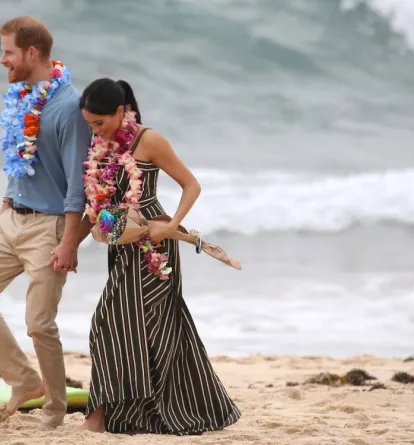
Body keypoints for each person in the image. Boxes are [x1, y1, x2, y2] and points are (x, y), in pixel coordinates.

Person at [77, 78, 241, 435]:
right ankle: (142, 414)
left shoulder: (149, 140)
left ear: (121, 112)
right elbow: (98, 202)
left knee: (112, 322)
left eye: (99, 122)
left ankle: (98, 418)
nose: (94, 130)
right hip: (122, 241)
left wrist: (173, 226)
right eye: (90, 123)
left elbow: (191, 184)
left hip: (153, 243)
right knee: (141, 327)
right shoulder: (101, 142)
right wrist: (73, 243)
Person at [0, 16, 91, 428]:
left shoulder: (70, 109)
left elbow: (77, 184)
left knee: (39, 324)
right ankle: (23, 381)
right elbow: (18, 156)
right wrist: (6, 201)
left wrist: (69, 242)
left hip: (48, 228)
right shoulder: (21, 96)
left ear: (32, 53)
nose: (4, 61)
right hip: (12, 218)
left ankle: (54, 408)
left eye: (9, 52)